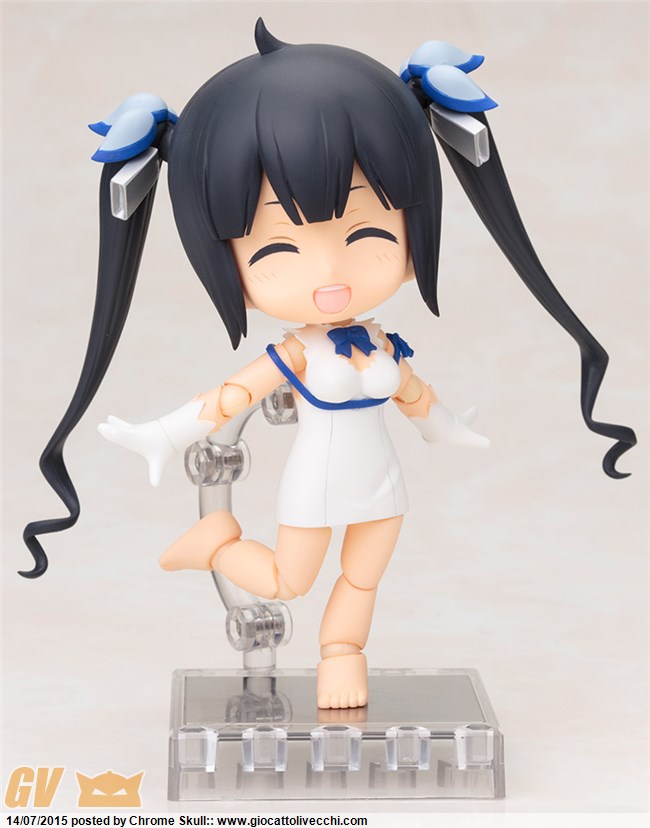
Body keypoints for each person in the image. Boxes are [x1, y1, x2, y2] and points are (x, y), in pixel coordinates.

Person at [22, 20, 636, 709]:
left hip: (382, 483)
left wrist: (445, 425)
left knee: (365, 577)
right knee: (288, 581)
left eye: (369, 233)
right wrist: (162, 434)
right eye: (277, 250)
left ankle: (343, 655)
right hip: (314, 485)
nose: (331, 275)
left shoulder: (378, 341)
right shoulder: (297, 352)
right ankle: (216, 543)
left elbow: (411, 393)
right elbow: (231, 397)